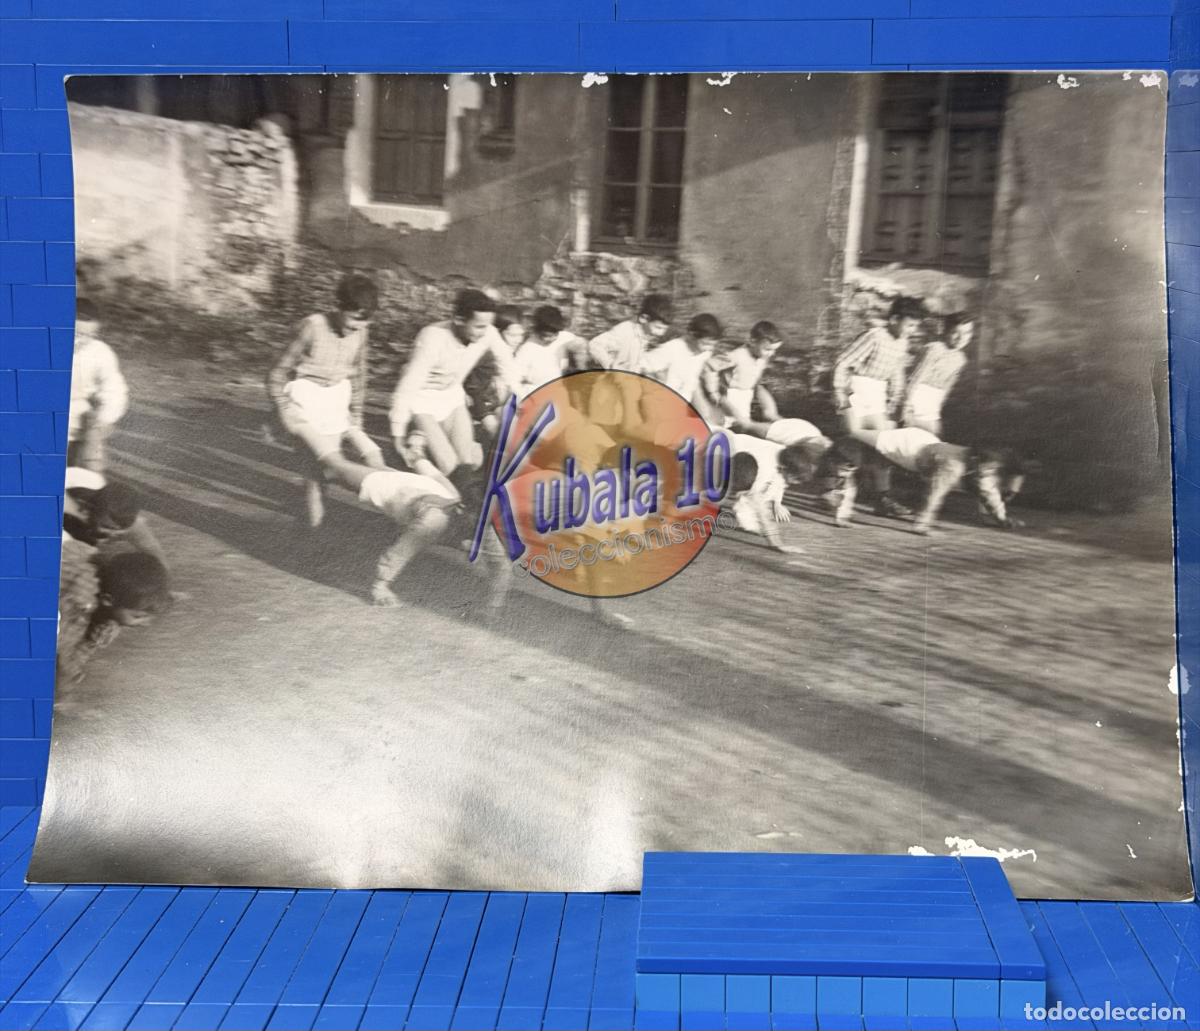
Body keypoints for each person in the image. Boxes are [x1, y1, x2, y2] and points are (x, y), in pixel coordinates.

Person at [268, 273, 385, 527]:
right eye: (354, 317)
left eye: (365, 321)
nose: (358, 326)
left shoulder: (361, 332)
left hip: (335, 401)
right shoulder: (312, 327)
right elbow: (278, 372)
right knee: (314, 469)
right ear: (339, 306)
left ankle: (313, 520)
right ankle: (315, 529)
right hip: (305, 399)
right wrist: (282, 409)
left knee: (328, 468)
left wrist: (356, 415)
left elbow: (360, 375)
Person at [390, 289, 518, 477]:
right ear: (458, 319)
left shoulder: (488, 331)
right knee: (450, 466)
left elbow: (507, 363)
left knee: (467, 464)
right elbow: (409, 384)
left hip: (451, 398)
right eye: (479, 327)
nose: (486, 332)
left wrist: (518, 397)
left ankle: (422, 445)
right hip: (422, 401)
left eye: (488, 325)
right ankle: (416, 445)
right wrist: (397, 433)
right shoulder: (432, 337)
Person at [317, 450, 464, 607]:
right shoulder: (441, 515)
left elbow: (435, 477)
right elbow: (403, 550)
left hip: (392, 482)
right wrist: (380, 586)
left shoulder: (448, 507)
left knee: (333, 468)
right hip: (386, 481)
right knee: (333, 468)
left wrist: (418, 459)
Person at [833, 425, 1022, 535]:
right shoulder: (953, 466)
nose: (990, 472)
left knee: (873, 453)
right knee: (855, 432)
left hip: (927, 444)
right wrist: (922, 523)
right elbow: (934, 494)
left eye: (994, 469)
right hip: (908, 447)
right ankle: (834, 449)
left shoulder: (982, 469)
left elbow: (990, 494)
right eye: (988, 467)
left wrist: (1002, 519)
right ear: (976, 460)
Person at [832, 296, 925, 518]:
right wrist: (839, 391)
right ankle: (833, 490)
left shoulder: (902, 343)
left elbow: (896, 373)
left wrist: (896, 401)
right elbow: (843, 362)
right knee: (852, 440)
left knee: (884, 445)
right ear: (894, 319)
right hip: (856, 387)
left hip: (877, 394)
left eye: (915, 326)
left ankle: (882, 498)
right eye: (909, 324)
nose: (912, 330)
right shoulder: (874, 336)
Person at [726, 431, 831, 554]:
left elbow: (775, 486)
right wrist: (777, 543)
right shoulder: (765, 469)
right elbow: (761, 507)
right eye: (795, 479)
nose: (796, 484)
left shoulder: (785, 455)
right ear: (784, 469)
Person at [68, 297, 129, 474]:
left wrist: (101, 423)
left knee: (91, 471)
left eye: (90, 335)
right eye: (77, 333)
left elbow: (115, 391)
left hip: (82, 420)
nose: (82, 341)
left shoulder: (100, 353)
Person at [903, 312, 974, 437]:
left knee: (933, 439)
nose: (961, 338)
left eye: (967, 333)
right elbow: (915, 378)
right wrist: (906, 407)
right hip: (915, 400)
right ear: (946, 331)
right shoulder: (934, 349)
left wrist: (937, 411)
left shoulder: (961, 359)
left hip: (932, 407)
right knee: (908, 440)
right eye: (955, 332)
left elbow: (947, 387)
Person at [640, 313, 724, 407]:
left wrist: (712, 390)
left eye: (713, 345)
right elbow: (641, 365)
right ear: (691, 335)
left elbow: (709, 370)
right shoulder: (672, 348)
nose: (710, 349)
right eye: (706, 344)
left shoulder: (704, 353)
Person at [720, 320, 784, 426]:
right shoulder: (737, 356)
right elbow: (711, 367)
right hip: (731, 395)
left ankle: (772, 419)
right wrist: (713, 391)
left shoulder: (762, 357)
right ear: (752, 342)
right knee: (732, 424)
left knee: (744, 423)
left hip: (746, 395)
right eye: (767, 349)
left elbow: (754, 378)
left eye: (774, 350)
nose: (771, 354)